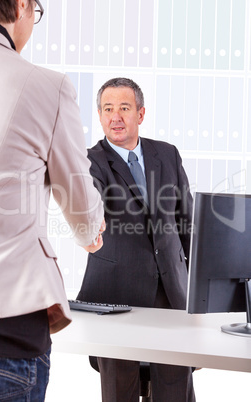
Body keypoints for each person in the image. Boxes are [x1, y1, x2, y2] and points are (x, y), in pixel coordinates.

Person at [0, 0, 104, 400]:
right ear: (20, 6)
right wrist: (90, 232)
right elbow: (82, 208)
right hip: (1, 334)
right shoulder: (44, 86)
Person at [77, 77, 195, 402]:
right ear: (99, 115)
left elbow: (188, 225)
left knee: (174, 392)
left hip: (170, 296)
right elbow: (91, 202)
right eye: (108, 109)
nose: (115, 117)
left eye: (124, 108)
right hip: (116, 297)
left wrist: (200, 289)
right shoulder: (89, 161)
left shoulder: (167, 155)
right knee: (120, 393)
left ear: (140, 114)